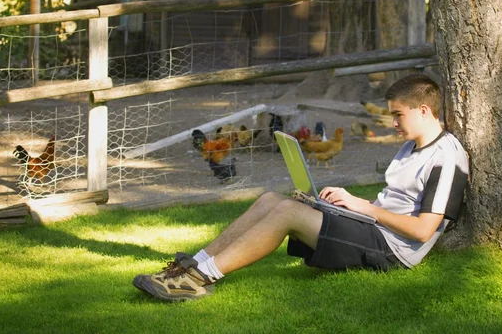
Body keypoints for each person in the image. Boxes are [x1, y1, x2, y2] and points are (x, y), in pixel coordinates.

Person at [133, 73, 469, 302]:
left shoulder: (447, 157)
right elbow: (394, 205)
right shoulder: (412, 144)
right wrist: (343, 203)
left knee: (288, 213)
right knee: (271, 199)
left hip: (393, 251)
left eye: (398, 115)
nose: (392, 122)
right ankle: (194, 263)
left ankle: (198, 280)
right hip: (374, 228)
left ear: (423, 110)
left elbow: (424, 230)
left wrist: (364, 208)